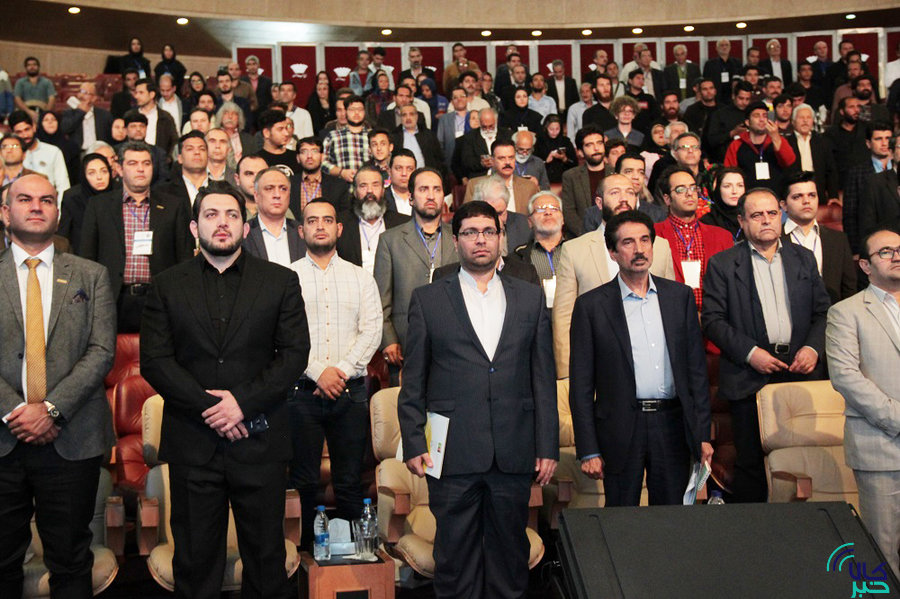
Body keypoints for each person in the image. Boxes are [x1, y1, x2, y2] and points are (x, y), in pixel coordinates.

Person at [139, 180, 309, 599]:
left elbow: (294, 355)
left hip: (260, 441)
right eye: (211, 214)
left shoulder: (280, 281)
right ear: (194, 227)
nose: (222, 223)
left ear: (245, 227)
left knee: (266, 563)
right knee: (195, 565)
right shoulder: (166, 284)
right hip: (193, 444)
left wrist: (242, 405)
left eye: (232, 215)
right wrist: (212, 409)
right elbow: (156, 361)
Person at [399, 199, 557, 599]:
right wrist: (414, 441)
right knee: (455, 564)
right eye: (470, 232)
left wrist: (547, 446)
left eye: (488, 231)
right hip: (452, 452)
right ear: (456, 241)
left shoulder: (529, 297)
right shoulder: (429, 299)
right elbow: (413, 380)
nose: (480, 239)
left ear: (501, 237)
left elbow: (543, 378)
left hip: (514, 449)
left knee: (509, 563)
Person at [0, 174, 116, 599]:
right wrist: (17, 411)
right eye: (25, 199)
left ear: (58, 212)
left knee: (70, 561)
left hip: (72, 437)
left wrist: (49, 410)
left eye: (46, 200)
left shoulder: (92, 275)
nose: (36, 206)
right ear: (5, 212)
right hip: (3, 439)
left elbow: (102, 351)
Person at [569, 209, 712, 506]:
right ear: (612, 253)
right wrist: (588, 449)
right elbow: (581, 385)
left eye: (645, 240)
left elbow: (696, 373)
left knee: (671, 518)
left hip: (672, 425)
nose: (639, 249)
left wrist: (702, 434)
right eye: (628, 242)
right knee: (622, 518)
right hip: (620, 427)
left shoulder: (680, 297)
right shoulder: (591, 306)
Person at [702, 187, 831, 503]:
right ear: (742, 221)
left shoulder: (803, 258)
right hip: (749, 374)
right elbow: (713, 321)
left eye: (772, 213)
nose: (766, 220)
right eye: (757, 215)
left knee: (803, 461)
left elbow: (823, 312)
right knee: (751, 464)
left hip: (800, 372)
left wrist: (813, 348)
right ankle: (757, 530)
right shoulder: (723, 264)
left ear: (781, 216)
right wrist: (750, 353)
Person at [288, 198, 381, 550]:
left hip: (350, 391)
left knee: (349, 482)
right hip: (302, 392)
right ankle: (307, 558)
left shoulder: (360, 277)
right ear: (301, 230)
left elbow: (372, 331)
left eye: (327, 220)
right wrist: (318, 373)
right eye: (312, 221)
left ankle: (358, 557)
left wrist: (337, 373)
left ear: (339, 229)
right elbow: (284, 337)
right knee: (303, 481)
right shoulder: (287, 278)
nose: (320, 226)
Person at [826, 225, 900, 579]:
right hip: (881, 445)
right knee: (881, 551)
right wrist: (897, 417)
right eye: (885, 251)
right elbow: (845, 377)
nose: (896, 256)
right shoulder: (846, 312)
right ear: (865, 265)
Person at [553, 174, 676, 377]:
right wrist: (567, 374)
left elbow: (671, 308)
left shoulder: (660, 246)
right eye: (615, 193)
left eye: (630, 192)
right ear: (599, 202)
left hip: (654, 362)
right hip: (599, 364)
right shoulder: (575, 249)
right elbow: (564, 317)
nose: (624, 198)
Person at [80, 141, 194, 332]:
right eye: (133, 163)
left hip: (159, 299)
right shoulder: (99, 206)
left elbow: (184, 259)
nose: (141, 169)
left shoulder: (174, 206)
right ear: (119, 169)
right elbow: (87, 258)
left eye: (146, 163)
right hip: (113, 299)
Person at [374, 167, 457, 385]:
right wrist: (388, 340)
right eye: (423, 189)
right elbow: (380, 300)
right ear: (410, 198)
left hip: (453, 345)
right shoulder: (390, 240)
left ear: (443, 196)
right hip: (405, 346)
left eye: (436, 189)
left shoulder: (458, 237)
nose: (430, 195)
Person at [654, 167, 734, 310]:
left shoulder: (722, 236)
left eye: (693, 188)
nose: (689, 193)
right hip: (671, 312)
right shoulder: (653, 235)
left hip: (713, 315)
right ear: (667, 199)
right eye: (680, 189)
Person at [780, 171, 855, 305]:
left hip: (832, 314)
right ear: (784, 205)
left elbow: (849, 290)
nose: (806, 201)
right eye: (797, 197)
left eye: (812, 195)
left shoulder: (838, 240)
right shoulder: (774, 240)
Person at [336, 165, 408, 272]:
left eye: (375, 185)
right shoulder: (340, 223)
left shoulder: (402, 224)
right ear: (355, 192)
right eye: (363, 186)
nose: (369, 191)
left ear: (383, 190)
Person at [724, 100, 796, 193]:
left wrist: (776, 137)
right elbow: (729, 173)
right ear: (747, 122)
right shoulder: (736, 144)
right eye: (756, 116)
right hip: (748, 195)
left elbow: (789, 162)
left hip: (776, 194)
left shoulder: (777, 139)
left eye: (765, 116)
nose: (762, 119)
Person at [243, 167, 305, 266]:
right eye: (269, 188)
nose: (277, 195)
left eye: (283, 189)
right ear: (256, 196)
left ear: (289, 195)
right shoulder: (243, 233)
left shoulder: (303, 232)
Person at [513, 191, 566, 304]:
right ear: (530, 221)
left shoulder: (578, 250)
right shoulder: (518, 257)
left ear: (563, 219)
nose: (548, 212)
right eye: (540, 209)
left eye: (554, 209)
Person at [463, 139, 539, 214]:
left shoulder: (529, 187)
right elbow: (467, 215)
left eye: (511, 157)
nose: (507, 162)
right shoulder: (474, 185)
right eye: (502, 158)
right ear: (492, 160)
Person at [58, 153, 113, 253]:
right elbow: (64, 233)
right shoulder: (72, 198)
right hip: (80, 254)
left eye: (104, 171)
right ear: (84, 175)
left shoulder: (119, 193)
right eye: (92, 173)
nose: (99, 177)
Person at [786, 103, 839, 205]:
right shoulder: (786, 143)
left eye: (808, 117)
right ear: (793, 121)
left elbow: (831, 171)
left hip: (818, 193)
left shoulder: (822, 141)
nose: (805, 121)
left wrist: (833, 195)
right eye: (801, 117)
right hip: (795, 193)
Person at [560, 125, 606, 237]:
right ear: (580, 151)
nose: (596, 148)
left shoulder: (616, 173)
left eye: (599, 143)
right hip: (582, 235)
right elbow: (569, 212)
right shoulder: (571, 176)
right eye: (589, 145)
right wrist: (587, 235)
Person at [322, 95, 371, 184]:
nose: (356, 113)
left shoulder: (372, 136)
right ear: (345, 112)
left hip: (368, 186)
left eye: (360, 109)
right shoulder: (333, 136)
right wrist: (341, 172)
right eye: (352, 109)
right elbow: (322, 163)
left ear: (364, 112)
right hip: (341, 187)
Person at [61, 82, 114, 151]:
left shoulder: (104, 115)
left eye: (85, 93)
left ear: (94, 98)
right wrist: (80, 112)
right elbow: (65, 129)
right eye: (80, 91)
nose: (81, 95)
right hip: (78, 153)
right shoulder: (69, 113)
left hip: (99, 151)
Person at [701, 166, 745, 241]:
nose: (734, 191)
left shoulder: (752, 219)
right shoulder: (706, 223)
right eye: (727, 186)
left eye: (740, 185)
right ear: (718, 190)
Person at [535, 114, 576, 184]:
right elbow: (534, 166)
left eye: (557, 129)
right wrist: (546, 161)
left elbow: (575, 165)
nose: (554, 132)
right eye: (551, 129)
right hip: (545, 179)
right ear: (546, 128)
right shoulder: (539, 142)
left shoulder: (566, 142)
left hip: (564, 179)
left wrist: (564, 159)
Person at [254, 109, 298, 173]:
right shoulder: (256, 160)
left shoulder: (296, 157)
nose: (286, 133)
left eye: (286, 128)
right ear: (266, 133)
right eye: (280, 129)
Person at [13, 57, 56, 122]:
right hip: (24, 111)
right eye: (29, 65)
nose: (32, 67)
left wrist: (45, 114)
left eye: (34, 65)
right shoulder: (20, 82)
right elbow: (17, 98)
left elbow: (51, 99)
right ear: (26, 68)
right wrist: (29, 112)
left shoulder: (47, 82)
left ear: (38, 67)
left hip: (43, 110)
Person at [703, 39, 742, 104]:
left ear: (730, 47)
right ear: (716, 48)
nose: (724, 47)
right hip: (716, 96)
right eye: (722, 45)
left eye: (727, 45)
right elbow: (706, 81)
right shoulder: (710, 64)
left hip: (732, 96)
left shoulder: (737, 63)